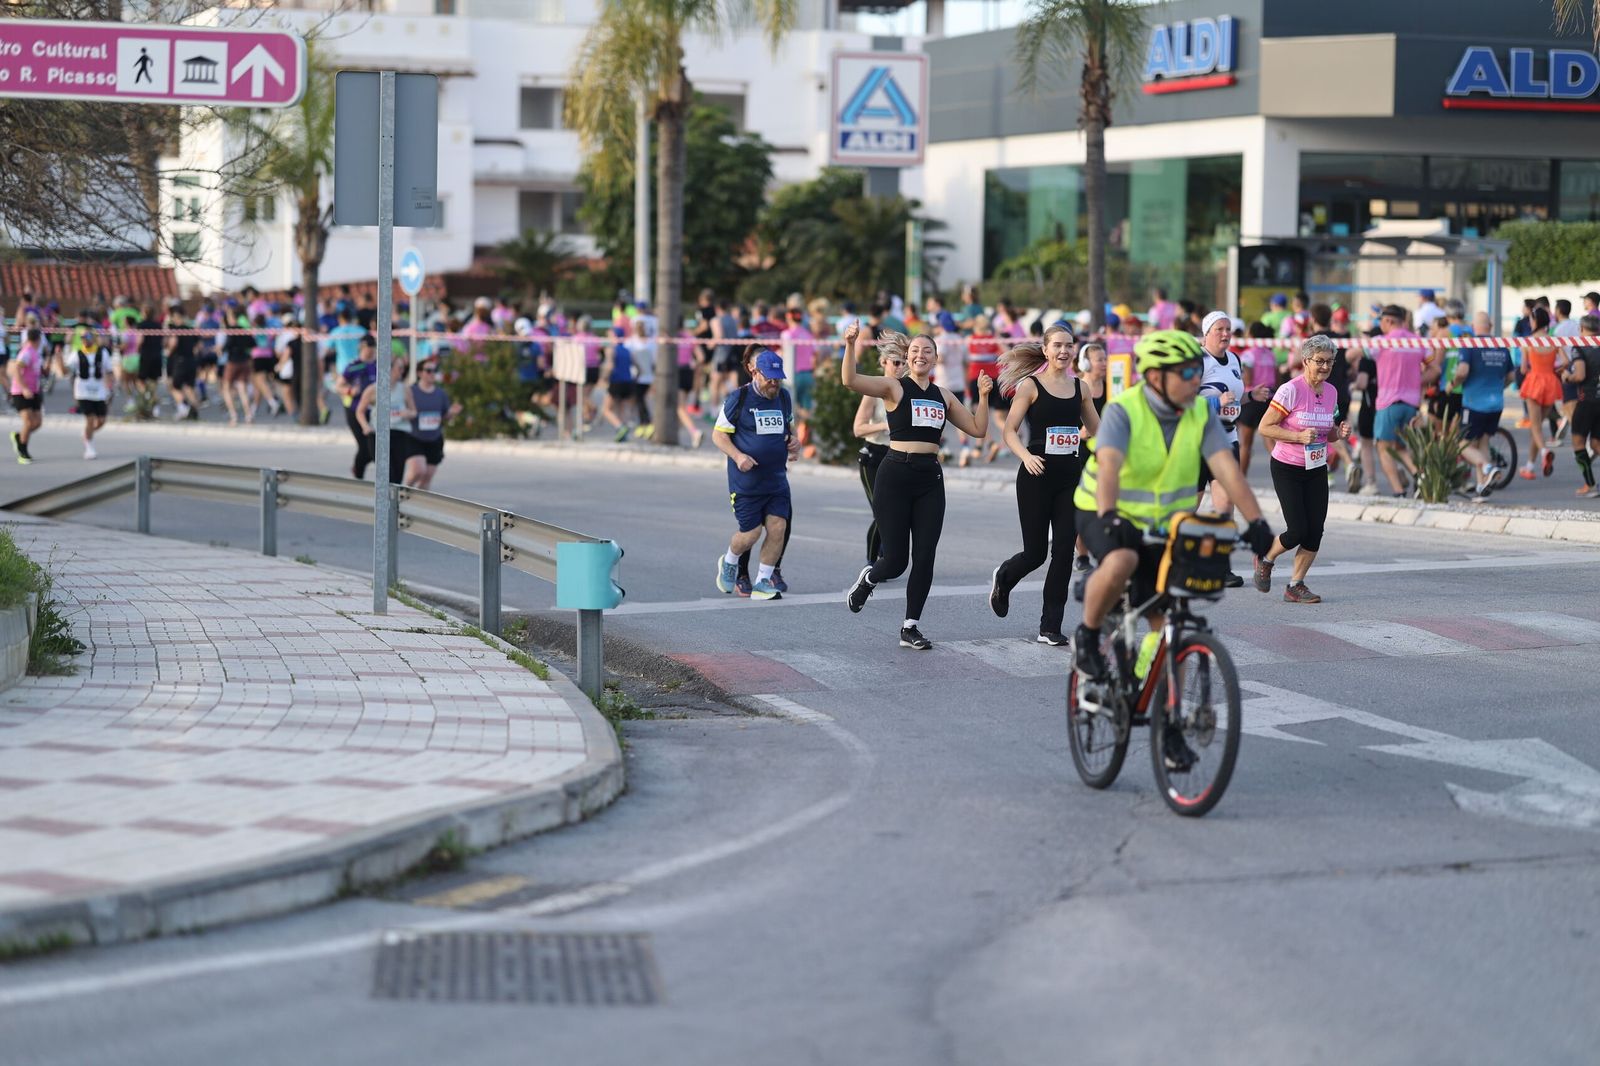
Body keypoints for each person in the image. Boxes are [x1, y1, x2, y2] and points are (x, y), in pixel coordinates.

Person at [1071, 330, 1276, 758]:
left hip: (1166, 526)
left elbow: (1229, 471)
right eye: (1186, 372)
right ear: (1156, 377)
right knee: (1123, 556)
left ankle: (1169, 731)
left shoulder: (1199, 413)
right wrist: (1109, 517)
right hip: (1103, 510)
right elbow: (1108, 467)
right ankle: (1089, 635)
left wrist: (1256, 522)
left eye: (1197, 371)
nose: (1194, 378)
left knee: (1168, 628)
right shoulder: (1124, 410)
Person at [842, 324, 993, 649]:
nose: (920, 355)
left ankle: (910, 627)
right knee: (896, 561)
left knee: (925, 557)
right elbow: (850, 380)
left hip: (929, 479)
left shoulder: (943, 395)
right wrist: (850, 345)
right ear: (907, 358)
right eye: (915, 351)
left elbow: (979, 429)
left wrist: (983, 396)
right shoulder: (894, 387)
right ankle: (869, 578)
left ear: (936, 358)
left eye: (927, 351)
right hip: (895, 474)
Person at [989, 326, 1101, 645]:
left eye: (1069, 346)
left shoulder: (1081, 388)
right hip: (1035, 475)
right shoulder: (1030, 386)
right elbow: (1010, 430)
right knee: (1036, 553)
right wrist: (1026, 456)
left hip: (1070, 477)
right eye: (1058, 346)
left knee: (1064, 550)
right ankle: (1005, 577)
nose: (1064, 351)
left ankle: (1050, 626)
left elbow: (1098, 429)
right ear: (1046, 349)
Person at [1254, 336, 1348, 603]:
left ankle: (1296, 585)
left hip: (1316, 467)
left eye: (1329, 362)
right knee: (1296, 530)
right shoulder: (1290, 389)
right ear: (1306, 361)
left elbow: (1327, 433)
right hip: (1287, 466)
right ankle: (1266, 558)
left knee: (1315, 530)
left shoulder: (1331, 391)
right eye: (1319, 361)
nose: (1325, 367)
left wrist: (1338, 433)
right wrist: (1297, 437)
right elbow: (1265, 427)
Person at [712, 349, 797, 601]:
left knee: (778, 527)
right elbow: (718, 435)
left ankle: (763, 580)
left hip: (776, 480)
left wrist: (795, 442)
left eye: (777, 378)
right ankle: (729, 560)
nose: (774, 382)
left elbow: (788, 428)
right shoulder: (738, 398)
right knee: (751, 534)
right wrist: (738, 456)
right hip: (746, 482)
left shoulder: (783, 396)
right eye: (769, 377)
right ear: (754, 372)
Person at [1366, 304, 1436, 496]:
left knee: (1383, 447)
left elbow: (1356, 354)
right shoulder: (1418, 342)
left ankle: (1398, 491)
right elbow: (1435, 369)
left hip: (1388, 403)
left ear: (1388, 321)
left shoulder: (1381, 341)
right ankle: (1418, 475)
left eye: (1381, 321)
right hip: (1411, 404)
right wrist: (1416, 381)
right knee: (1400, 446)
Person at [853, 346, 908, 565]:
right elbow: (858, 428)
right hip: (873, 457)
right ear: (883, 362)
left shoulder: (906, 389)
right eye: (895, 362)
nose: (900, 367)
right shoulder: (873, 391)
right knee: (882, 511)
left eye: (904, 362)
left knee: (898, 511)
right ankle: (872, 562)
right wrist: (884, 424)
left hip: (897, 456)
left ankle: (887, 554)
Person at [1455, 331, 1514, 499]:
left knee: (1463, 446)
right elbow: (1511, 375)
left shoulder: (1470, 345)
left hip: (1474, 404)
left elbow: (1462, 372)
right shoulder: (1501, 346)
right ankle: (1482, 487)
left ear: (1474, 327)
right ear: (1489, 327)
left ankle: (1488, 467)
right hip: (1496, 404)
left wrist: (1454, 384)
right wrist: (1499, 387)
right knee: (1483, 444)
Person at [1517, 307, 1564, 480]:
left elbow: (1523, 369)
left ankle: (1544, 452)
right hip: (1550, 381)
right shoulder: (1554, 341)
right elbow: (1565, 361)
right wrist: (1556, 370)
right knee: (1537, 428)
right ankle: (1529, 466)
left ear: (1535, 321)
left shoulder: (1528, 341)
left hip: (1534, 382)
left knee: (1535, 426)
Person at [356, 354, 416, 485]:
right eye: (399, 368)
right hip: (378, 433)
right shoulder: (373, 389)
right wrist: (365, 426)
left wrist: (408, 413)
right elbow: (360, 411)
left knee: (398, 473)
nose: (402, 371)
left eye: (403, 368)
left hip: (399, 433)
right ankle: (384, 502)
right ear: (389, 369)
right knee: (386, 472)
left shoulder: (405, 389)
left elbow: (414, 411)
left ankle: (392, 503)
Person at [404, 360, 461, 489]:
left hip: (434, 438)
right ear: (419, 373)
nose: (432, 374)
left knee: (427, 476)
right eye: (428, 371)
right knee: (418, 470)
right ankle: (403, 492)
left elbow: (444, 416)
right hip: (414, 437)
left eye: (434, 371)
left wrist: (452, 413)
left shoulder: (441, 394)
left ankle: (419, 504)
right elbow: (403, 410)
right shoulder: (411, 391)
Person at [1562, 314, 1600, 498]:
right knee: (1596, 443)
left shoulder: (1579, 346)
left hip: (1587, 401)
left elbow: (1579, 375)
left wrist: (1567, 377)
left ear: (1582, 330)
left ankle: (1590, 485)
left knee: (1578, 442)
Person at [1235, 322, 1280, 474]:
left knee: (1245, 445)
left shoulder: (1248, 355)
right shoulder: (1271, 354)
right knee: (1270, 440)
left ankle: (1240, 481)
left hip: (1252, 399)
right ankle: (1281, 473)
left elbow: (1247, 380)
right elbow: (1278, 378)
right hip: (1269, 399)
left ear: (1252, 335)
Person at [341, 335, 381, 478]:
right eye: (366, 349)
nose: (369, 352)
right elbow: (339, 385)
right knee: (364, 447)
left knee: (374, 448)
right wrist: (350, 391)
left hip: (375, 410)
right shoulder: (353, 366)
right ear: (361, 348)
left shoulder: (379, 365)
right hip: (355, 410)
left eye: (372, 349)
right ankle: (358, 474)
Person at [72, 327, 114, 460]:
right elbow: (65, 370)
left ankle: (87, 433)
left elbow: (109, 371)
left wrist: (111, 387)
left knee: (101, 421)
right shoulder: (76, 354)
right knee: (90, 420)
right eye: (82, 338)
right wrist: (58, 357)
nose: (85, 340)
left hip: (99, 391)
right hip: (83, 392)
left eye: (87, 337)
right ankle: (89, 446)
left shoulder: (103, 353)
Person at [8, 327, 44, 464]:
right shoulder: (27, 352)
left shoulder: (35, 352)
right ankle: (22, 452)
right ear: (38, 339)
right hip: (21, 392)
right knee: (28, 422)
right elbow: (16, 369)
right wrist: (24, 388)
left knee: (37, 422)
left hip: (34, 391)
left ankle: (19, 436)